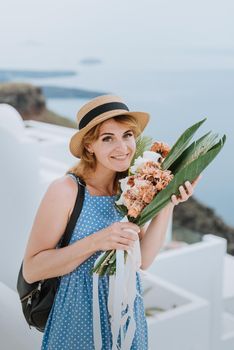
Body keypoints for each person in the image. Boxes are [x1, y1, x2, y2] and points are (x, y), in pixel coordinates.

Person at [22, 95, 201, 349]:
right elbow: (32, 269)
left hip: (126, 318)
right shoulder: (66, 190)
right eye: (108, 138)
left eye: (127, 135)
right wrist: (98, 241)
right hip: (77, 317)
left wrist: (167, 202)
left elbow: (143, 260)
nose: (123, 147)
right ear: (89, 147)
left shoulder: (130, 189)